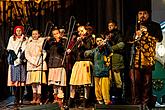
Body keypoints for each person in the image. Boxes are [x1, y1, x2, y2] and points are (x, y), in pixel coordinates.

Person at [125, 7, 163, 109]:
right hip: (135, 59)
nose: (142, 16)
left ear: (148, 14)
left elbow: (159, 38)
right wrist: (135, 36)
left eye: (144, 13)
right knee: (135, 81)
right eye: (140, 13)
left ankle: (145, 103)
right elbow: (127, 39)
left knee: (146, 83)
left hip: (148, 59)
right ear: (137, 15)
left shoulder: (155, 25)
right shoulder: (133, 26)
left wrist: (147, 33)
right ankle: (136, 103)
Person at [68, 25, 93, 108]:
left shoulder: (89, 38)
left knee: (86, 83)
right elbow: (74, 51)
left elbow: (88, 48)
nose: (80, 33)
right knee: (73, 82)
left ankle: (86, 101)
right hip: (78, 62)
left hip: (85, 62)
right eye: (79, 31)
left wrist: (82, 42)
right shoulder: (77, 40)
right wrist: (71, 50)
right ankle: (71, 100)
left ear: (85, 31)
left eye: (82, 31)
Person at [84, 35, 113, 105]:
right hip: (96, 71)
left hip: (104, 71)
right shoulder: (95, 50)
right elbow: (86, 53)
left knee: (105, 88)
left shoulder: (106, 49)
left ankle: (107, 102)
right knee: (97, 89)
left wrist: (106, 43)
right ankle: (99, 101)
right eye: (97, 41)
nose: (99, 42)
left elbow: (111, 50)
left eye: (100, 40)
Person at [104, 19, 125, 104]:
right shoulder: (107, 35)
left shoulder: (118, 34)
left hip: (117, 59)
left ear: (115, 26)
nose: (110, 27)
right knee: (109, 80)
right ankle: (110, 98)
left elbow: (121, 45)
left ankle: (119, 98)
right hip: (108, 61)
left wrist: (111, 48)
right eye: (109, 26)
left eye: (111, 26)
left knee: (117, 80)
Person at [7, 26, 28, 104]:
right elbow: (10, 49)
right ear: (15, 31)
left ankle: (21, 98)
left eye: (20, 30)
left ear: (22, 31)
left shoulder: (25, 38)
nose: (18, 32)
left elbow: (26, 49)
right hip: (14, 61)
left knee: (21, 81)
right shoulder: (11, 38)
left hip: (22, 61)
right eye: (17, 30)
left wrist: (21, 58)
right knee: (15, 80)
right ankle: (16, 98)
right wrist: (15, 58)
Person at [25, 30, 47, 104]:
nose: (34, 35)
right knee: (33, 82)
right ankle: (34, 97)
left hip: (39, 64)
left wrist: (38, 61)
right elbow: (26, 54)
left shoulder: (41, 43)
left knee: (38, 82)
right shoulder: (28, 43)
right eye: (33, 34)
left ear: (38, 35)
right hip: (31, 64)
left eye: (36, 34)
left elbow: (44, 53)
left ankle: (39, 98)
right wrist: (33, 61)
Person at [47, 28, 67, 106]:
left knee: (59, 84)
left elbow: (61, 50)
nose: (56, 35)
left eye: (57, 33)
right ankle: (55, 99)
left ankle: (60, 100)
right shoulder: (51, 42)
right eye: (54, 34)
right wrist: (47, 40)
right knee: (54, 84)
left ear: (60, 33)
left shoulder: (63, 41)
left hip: (59, 64)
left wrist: (58, 41)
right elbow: (45, 48)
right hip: (52, 65)